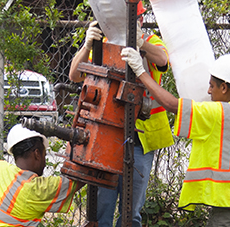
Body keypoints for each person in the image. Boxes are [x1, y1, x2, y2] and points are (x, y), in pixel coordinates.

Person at [122, 49, 230, 227]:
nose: (209, 91)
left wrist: (141, 72)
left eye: (212, 85)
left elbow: (173, 105)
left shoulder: (218, 113)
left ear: (224, 87)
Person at [68, 2, 174, 226]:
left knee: (131, 212)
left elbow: (163, 60)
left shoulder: (151, 42)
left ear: (140, 21)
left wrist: (140, 44)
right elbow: (74, 75)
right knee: (102, 208)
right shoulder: (103, 43)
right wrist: (87, 46)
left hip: (141, 139)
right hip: (108, 136)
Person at [0, 124, 84, 226]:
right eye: (44, 154)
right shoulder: (33, 190)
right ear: (37, 154)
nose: (44, 161)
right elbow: (80, 177)